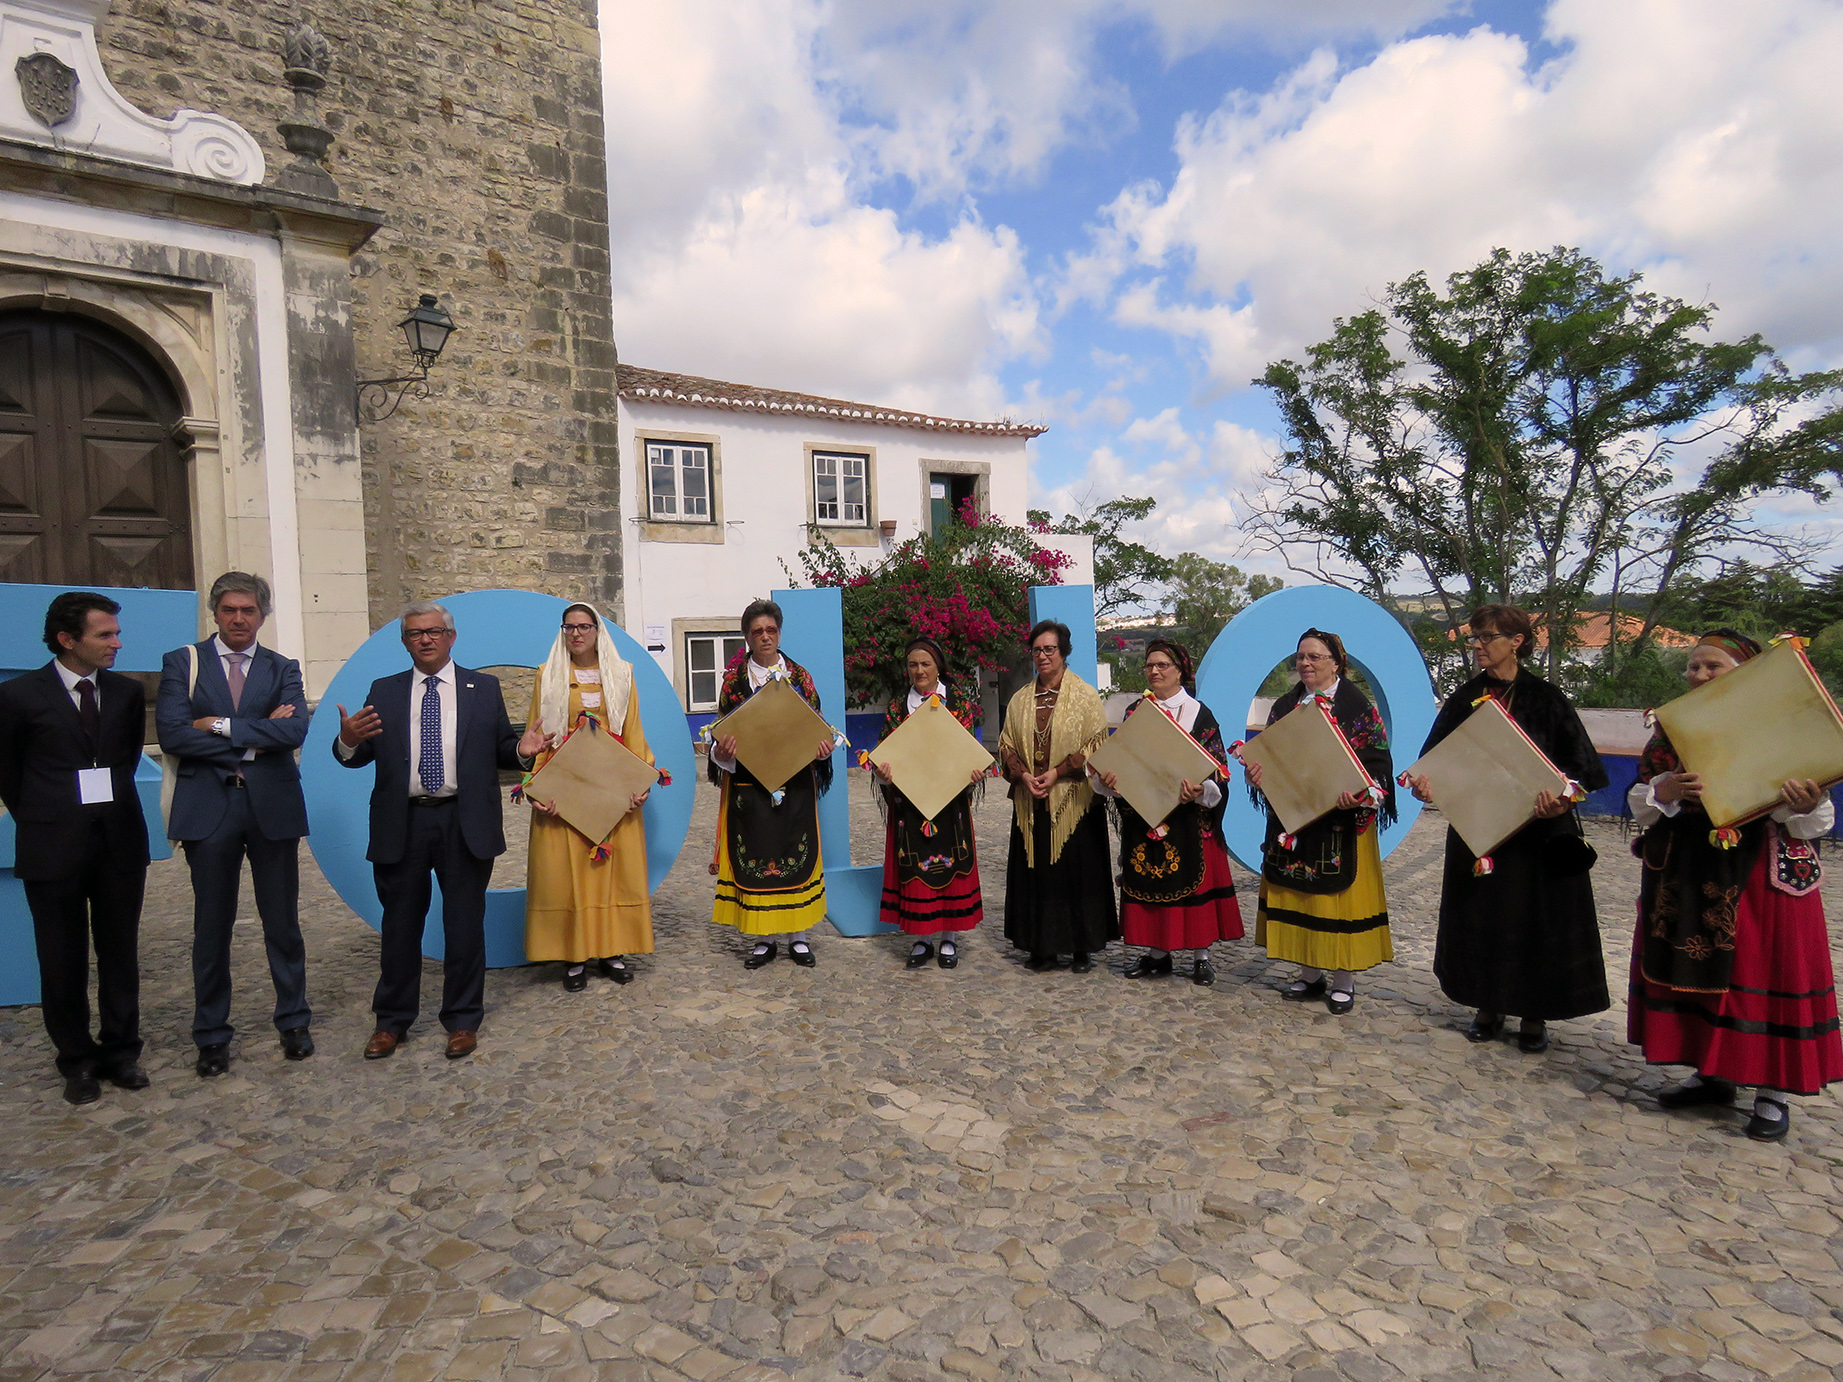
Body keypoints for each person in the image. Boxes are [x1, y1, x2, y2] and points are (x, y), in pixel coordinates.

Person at [1626, 629, 1842, 1142]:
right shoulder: (1672, 732)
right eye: (1693, 666)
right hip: (1689, 866)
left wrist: (1805, 803)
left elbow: (1818, 819)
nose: (1698, 675)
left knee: (1761, 970)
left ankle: (1773, 1091)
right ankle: (1714, 1074)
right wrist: (1666, 788)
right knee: (1696, 965)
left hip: (1759, 876)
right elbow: (1641, 801)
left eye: (1712, 667)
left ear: (1743, 673)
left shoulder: (1781, 727)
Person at [335, 600, 544, 1060]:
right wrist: (347, 739)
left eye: (433, 631)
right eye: (414, 634)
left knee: (465, 926)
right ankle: (391, 1023)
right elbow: (358, 753)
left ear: (451, 637)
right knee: (399, 928)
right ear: (405, 642)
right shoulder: (384, 690)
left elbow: (502, 749)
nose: (425, 639)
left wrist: (524, 751)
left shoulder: (482, 688)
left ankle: (463, 1020)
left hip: (463, 821)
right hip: (402, 822)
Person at [1406, 604, 1609, 1053]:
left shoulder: (1548, 699)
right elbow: (1432, 761)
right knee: (1483, 916)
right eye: (1475, 638)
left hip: (1538, 834)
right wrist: (1425, 786)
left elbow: (1583, 771)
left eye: (1487, 637)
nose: (1478, 645)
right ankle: (1487, 1005)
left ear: (1516, 641)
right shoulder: (1464, 699)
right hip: (1480, 831)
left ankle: (1535, 1013)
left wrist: (1562, 797)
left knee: (1534, 920)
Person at [157, 572, 313, 1078]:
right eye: (230, 610)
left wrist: (220, 725)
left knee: (282, 923)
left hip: (271, 808)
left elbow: (294, 730)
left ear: (262, 615)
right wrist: (257, 737)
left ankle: (293, 1019)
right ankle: (211, 1034)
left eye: (248, 610)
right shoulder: (183, 662)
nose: (239, 619)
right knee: (211, 927)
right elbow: (174, 735)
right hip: (208, 808)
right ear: (215, 613)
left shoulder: (282, 666)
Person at [0, 592, 151, 1105]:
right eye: (104, 635)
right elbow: (10, 775)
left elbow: (125, 759)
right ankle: (76, 1060)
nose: (116, 643)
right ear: (68, 640)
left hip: (118, 843)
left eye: (116, 633)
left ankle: (121, 1051)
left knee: (120, 953)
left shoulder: (128, 694)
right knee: (61, 959)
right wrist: (51, 818)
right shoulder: (19, 696)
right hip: (52, 846)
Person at [1247, 629, 1394, 1014]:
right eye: (1300, 657)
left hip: (1341, 821)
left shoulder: (1357, 706)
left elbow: (1377, 764)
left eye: (1314, 657)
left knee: (1337, 900)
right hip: (1296, 816)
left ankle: (1344, 979)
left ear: (1336, 662)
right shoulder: (1285, 706)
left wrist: (1360, 793)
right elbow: (1273, 758)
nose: (1306, 664)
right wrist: (1258, 776)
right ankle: (1309, 973)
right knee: (1302, 894)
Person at [522, 603, 656, 991]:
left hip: (612, 787)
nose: (577, 634)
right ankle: (574, 954)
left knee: (611, 876)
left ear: (598, 630)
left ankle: (612, 950)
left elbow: (632, 731)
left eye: (584, 626)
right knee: (569, 874)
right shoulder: (547, 677)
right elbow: (538, 735)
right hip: (565, 787)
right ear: (562, 632)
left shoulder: (622, 675)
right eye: (569, 627)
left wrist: (639, 782)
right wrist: (536, 787)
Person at [1092, 640, 1243, 986]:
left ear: (1181, 671)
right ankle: (1158, 954)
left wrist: (1201, 790)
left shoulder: (1199, 714)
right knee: (1151, 881)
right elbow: (1124, 760)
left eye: (1163, 665)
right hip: (1147, 814)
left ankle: (1201, 956)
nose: (1155, 671)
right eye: (1149, 666)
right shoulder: (1136, 711)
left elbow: (1218, 768)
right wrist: (1111, 780)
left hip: (1188, 817)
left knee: (1193, 884)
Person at [708, 599, 840, 970]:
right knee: (760, 857)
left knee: (794, 856)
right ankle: (764, 939)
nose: (765, 637)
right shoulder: (733, 684)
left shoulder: (801, 678)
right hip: (751, 789)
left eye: (771, 630)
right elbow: (721, 737)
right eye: (757, 632)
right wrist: (724, 750)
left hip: (796, 783)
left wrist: (823, 748)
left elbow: (817, 725)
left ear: (779, 632)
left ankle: (798, 937)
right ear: (747, 638)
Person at [998, 620, 1118, 972]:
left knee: (1077, 872)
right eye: (1037, 650)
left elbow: (1097, 743)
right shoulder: (1021, 699)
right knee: (1038, 874)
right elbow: (1005, 744)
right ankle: (1041, 947)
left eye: (1050, 649)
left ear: (1064, 652)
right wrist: (1022, 774)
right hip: (1031, 800)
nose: (1043, 656)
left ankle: (1082, 947)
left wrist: (1057, 772)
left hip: (1074, 802)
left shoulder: (1085, 696)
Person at [864, 637, 988, 969]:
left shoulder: (958, 702)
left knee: (951, 865)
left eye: (926, 664)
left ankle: (949, 938)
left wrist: (973, 772)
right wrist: (883, 772)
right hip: (910, 803)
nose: (919, 671)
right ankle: (923, 938)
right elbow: (884, 753)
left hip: (950, 803)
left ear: (939, 667)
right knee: (916, 869)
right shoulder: (896, 707)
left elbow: (967, 750)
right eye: (913, 665)